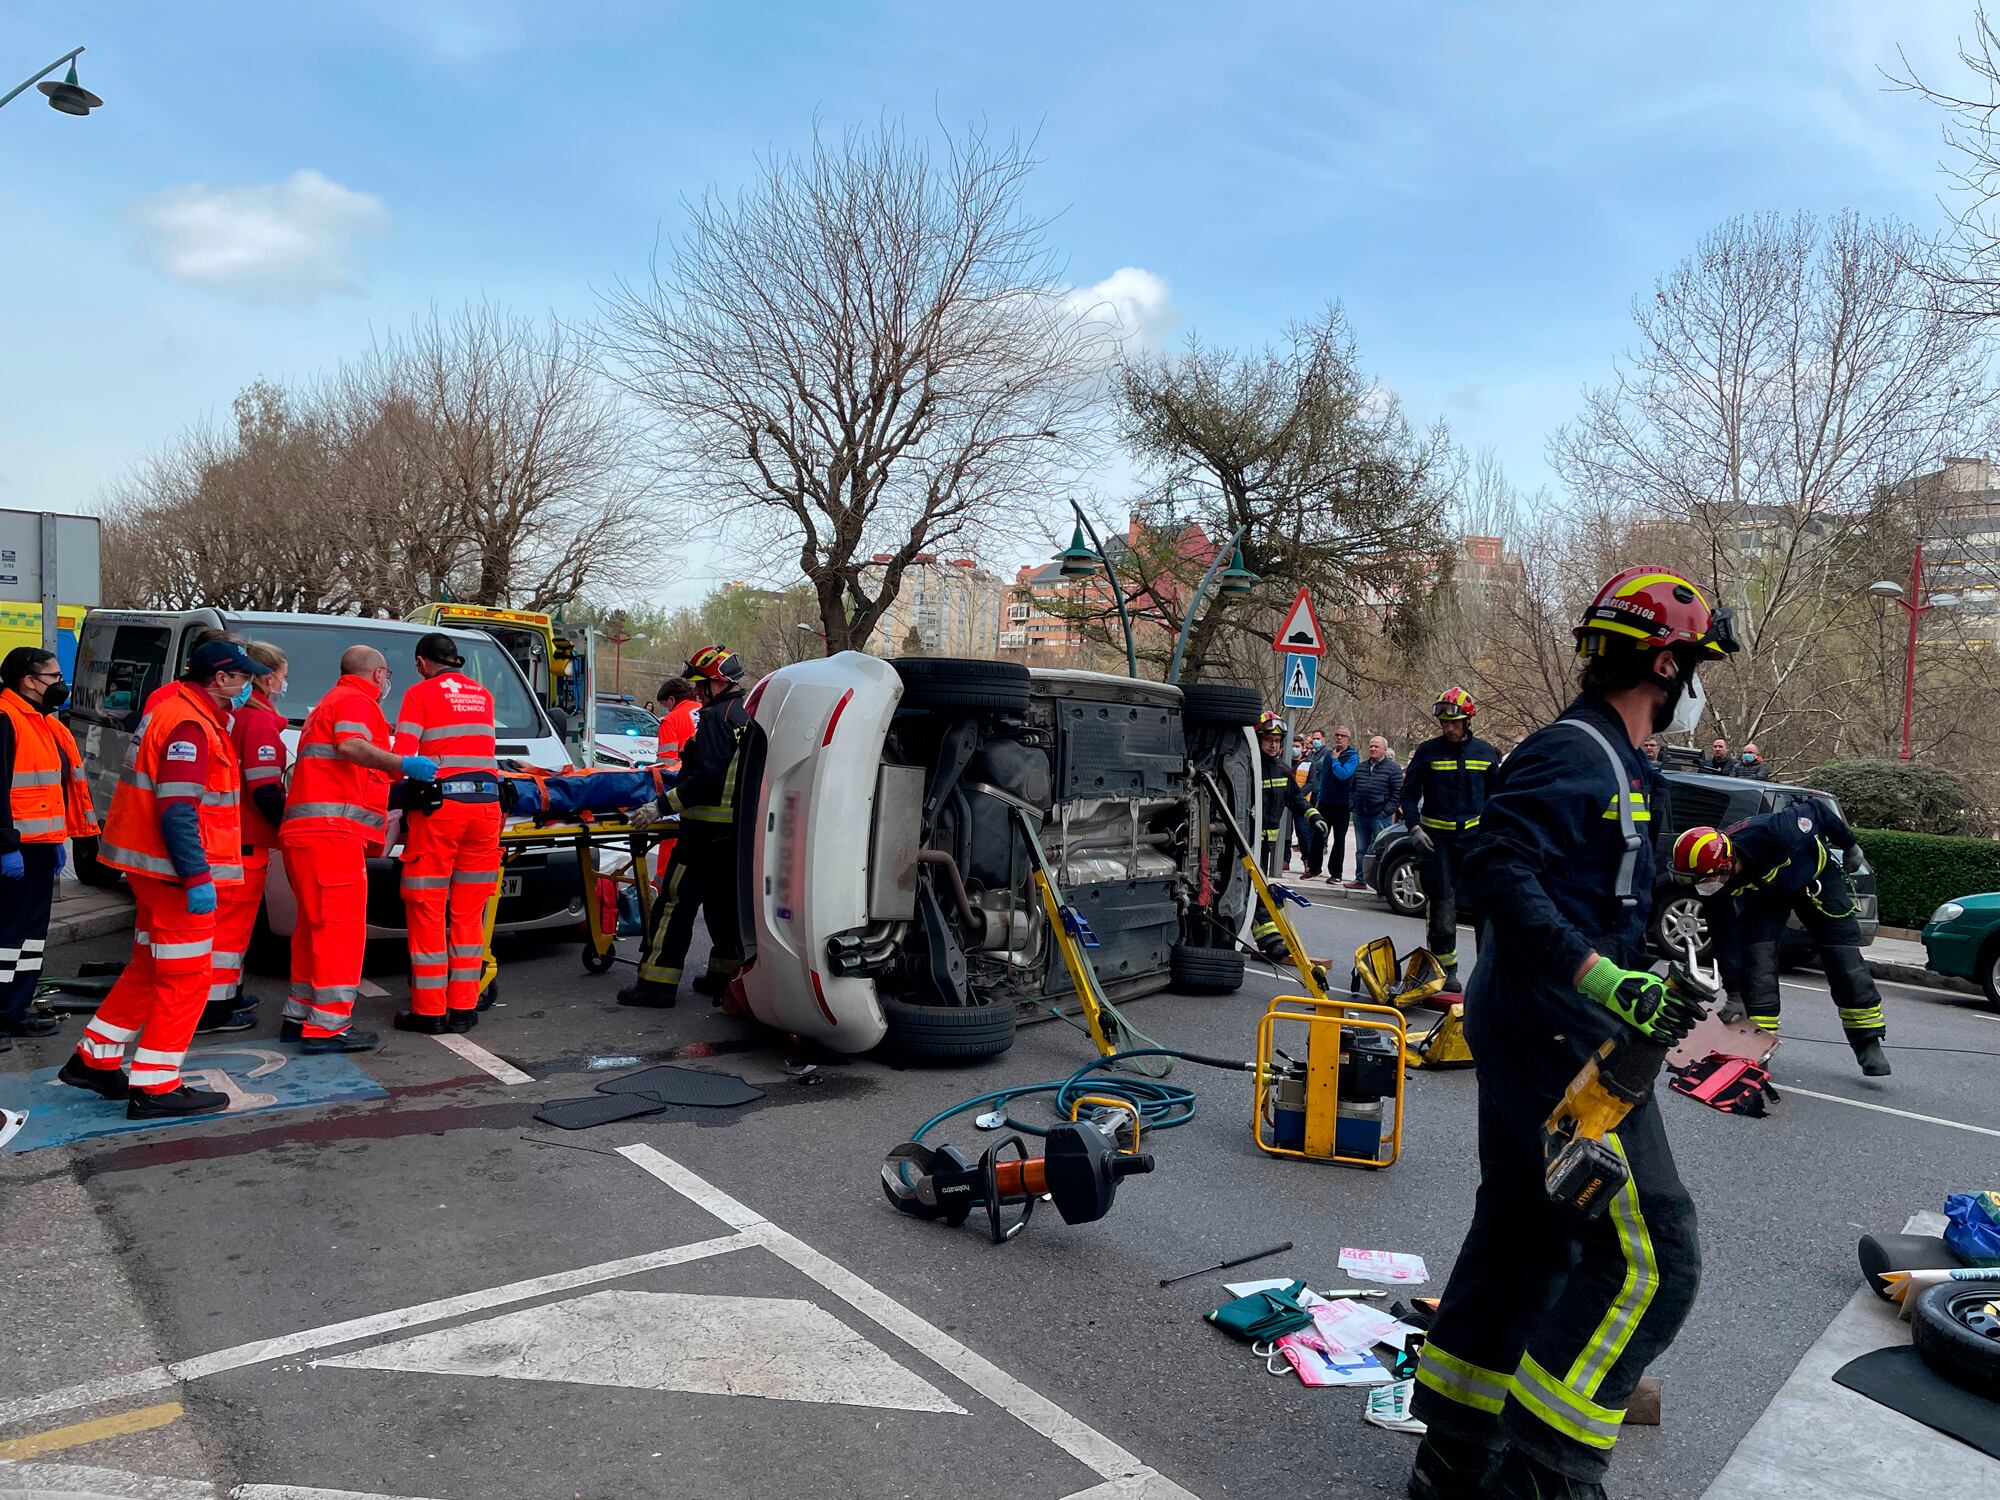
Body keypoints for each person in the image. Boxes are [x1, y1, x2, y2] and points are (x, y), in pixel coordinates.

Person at [1407, 566, 1736, 1500]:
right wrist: (1598, 976)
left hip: (1547, 1024)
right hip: (1562, 1038)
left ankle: (1455, 1454)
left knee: (1525, 1234)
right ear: (1666, 663)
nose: (1697, 690)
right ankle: (1545, 1476)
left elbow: (1597, 892)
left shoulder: (1628, 765)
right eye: (1695, 667)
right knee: (1651, 1260)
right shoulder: (1570, 752)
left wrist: (1658, 947)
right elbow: (1496, 867)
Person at [56, 641, 266, 1118]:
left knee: (150, 969)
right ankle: (156, 1086)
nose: (246, 685)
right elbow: (177, 809)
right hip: (174, 874)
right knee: (188, 979)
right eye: (241, 676)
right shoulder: (191, 725)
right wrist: (196, 876)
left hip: (154, 869)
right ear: (221, 678)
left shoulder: (175, 710)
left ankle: (96, 1059)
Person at [279, 646, 437, 1053]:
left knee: (313, 929)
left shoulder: (330, 702)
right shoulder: (356, 700)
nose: (387, 684)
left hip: (308, 834)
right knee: (340, 932)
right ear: (377, 673)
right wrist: (404, 763)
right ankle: (328, 1027)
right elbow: (351, 746)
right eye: (386, 677)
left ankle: (300, 1015)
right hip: (331, 836)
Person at [1671, 802, 1889, 1075]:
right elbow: (1725, 937)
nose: (1705, 884)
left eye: (1710, 877)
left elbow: (1818, 810)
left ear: (1728, 862)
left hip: (1816, 879)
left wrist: (1850, 845)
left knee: (1844, 961)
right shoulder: (1716, 883)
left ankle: (1867, 1042)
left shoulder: (1777, 831)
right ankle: (1757, 1049)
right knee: (1757, 963)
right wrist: (1734, 992)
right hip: (1767, 894)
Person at [619, 646, 751, 1008]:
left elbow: (707, 778)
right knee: (724, 909)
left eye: (700, 685)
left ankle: (655, 985)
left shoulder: (715, 718)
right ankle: (724, 977)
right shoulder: (747, 716)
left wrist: (659, 806)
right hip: (735, 836)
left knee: (675, 904)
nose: (696, 693)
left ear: (717, 683)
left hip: (703, 834)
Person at [391, 633, 501, 1035]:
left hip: (441, 811)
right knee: (470, 913)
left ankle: (429, 1010)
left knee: (427, 907)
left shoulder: (420, 694)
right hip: (487, 808)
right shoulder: (482, 695)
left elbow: (402, 758)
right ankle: (463, 1008)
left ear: (423, 661)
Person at [0, 647, 98, 1051]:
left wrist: (59, 841)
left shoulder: (41, 721)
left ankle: (14, 1010)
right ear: (29, 680)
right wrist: (5, 844)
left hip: (39, 846)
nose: (61, 684)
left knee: (30, 934)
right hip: (15, 847)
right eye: (54, 676)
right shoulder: (7, 719)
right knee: (6, 935)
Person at [199, 641, 289, 1035]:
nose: (284, 683)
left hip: (227, 836)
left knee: (224, 933)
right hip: (245, 841)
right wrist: (294, 821)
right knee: (229, 935)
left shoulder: (234, 718)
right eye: (283, 675)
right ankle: (215, 1010)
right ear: (268, 678)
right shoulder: (260, 723)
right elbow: (266, 791)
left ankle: (226, 997)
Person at [1399, 688, 1500, 993]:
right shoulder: (1428, 752)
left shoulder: (1486, 754)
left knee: (1486, 908)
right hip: (1437, 843)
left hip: (1475, 842)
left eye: (1454, 723)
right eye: (1444, 723)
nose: (1448, 728)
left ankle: (1487, 975)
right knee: (1442, 905)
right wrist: (1415, 828)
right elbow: (1408, 793)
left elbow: (1497, 799)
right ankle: (1444, 970)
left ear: (1467, 720)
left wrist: (1494, 838)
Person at [1252, 712, 1325, 958]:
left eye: (1277, 740)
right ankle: (1270, 941)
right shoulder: (1247, 768)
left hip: (1264, 845)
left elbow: (1295, 799)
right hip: (1241, 843)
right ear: (1258, 739)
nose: (1273, 745)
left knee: (1258, 890)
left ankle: (1267, 939)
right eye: (1268, 740)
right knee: (1254, 891)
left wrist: (1313, 816)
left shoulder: (1283, 770)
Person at [1343, 735, 1403, 889]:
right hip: (1361, 814)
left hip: (1380, 817)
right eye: (1371, 746)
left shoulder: (1393, 769)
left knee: (1379, 850)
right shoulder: (1361, 767)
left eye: (1376, 746)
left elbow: (1397, 794)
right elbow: (1352, 788)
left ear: (1384, 750)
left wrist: (1386, 811)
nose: (1373, 749)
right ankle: (1360, 880)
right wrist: (1353, 806)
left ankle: (1378, 883)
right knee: (1361, 850)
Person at [1312, 727, 1358, 880]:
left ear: (1348, 739)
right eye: (1337, 735)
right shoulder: (1328, 754)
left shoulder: (1352, 757)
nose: (1339, 738)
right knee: (1318, 835)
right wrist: (1320, 797)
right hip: (1325, 802)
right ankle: (1314, 868)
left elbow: (1343, 775)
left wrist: (1335, 760)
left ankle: (1336, 873)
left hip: (1342, 805)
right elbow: (1324, 778)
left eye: (1343, 736)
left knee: (1339, 839)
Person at [653, 677, 702, 773]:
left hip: (684, 777)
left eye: (664, 705)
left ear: (671, 700)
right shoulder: (704, 709)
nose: (666, 710)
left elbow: (667, 763)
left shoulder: (670, 720)